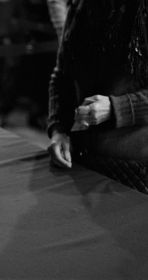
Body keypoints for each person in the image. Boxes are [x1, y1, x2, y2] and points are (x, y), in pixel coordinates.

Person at [47, 0, 148, 193]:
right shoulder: (82, 7)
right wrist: (59, 130)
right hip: (80, 161)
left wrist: (116, 107)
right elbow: (62, 76)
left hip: (136, 171)